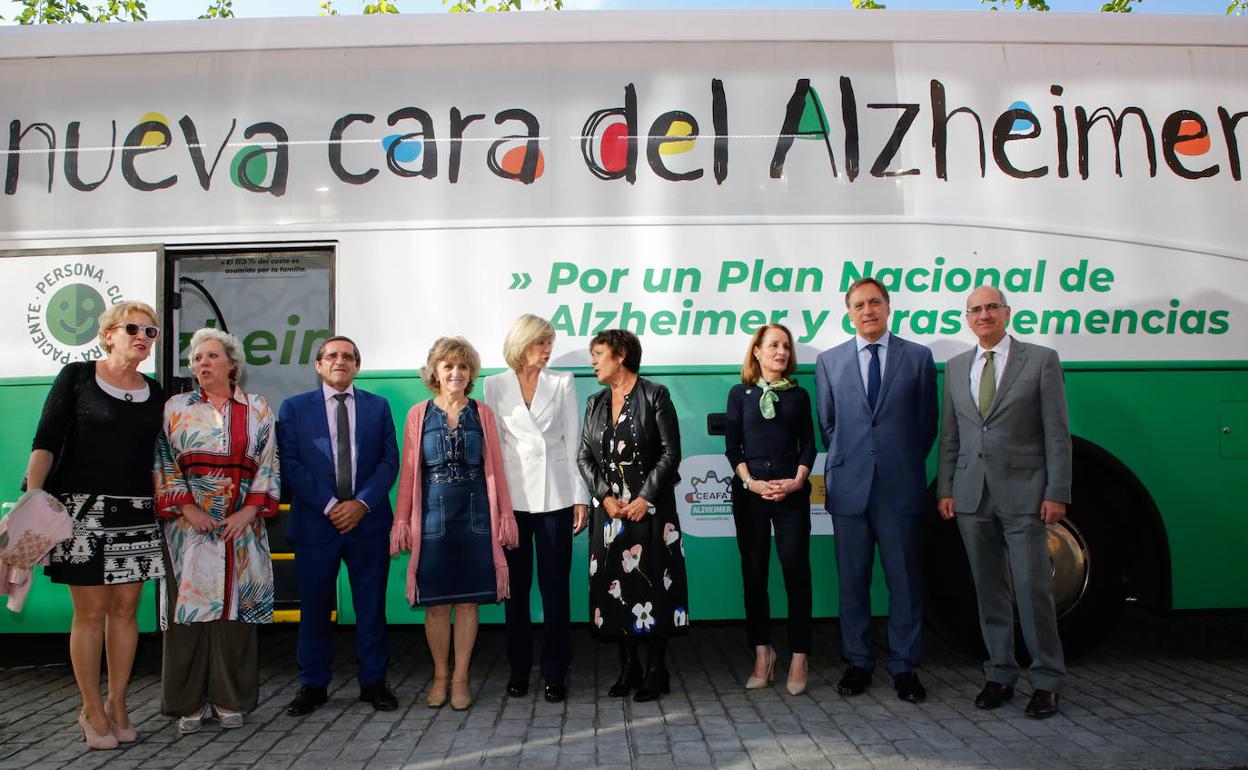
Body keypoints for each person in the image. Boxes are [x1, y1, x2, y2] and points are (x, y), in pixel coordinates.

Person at [26, 301, 165, 749]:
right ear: (108, 334)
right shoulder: (77, 376)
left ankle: (119, 704)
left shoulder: (156, 390)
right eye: (132, 328)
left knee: (126, 611)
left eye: (151, 331)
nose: (142, 336)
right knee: (90, 614)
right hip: (82, 511)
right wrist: (34, 497)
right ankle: (90, 708)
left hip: (137, 512)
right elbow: (46, 440)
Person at [937, 285, 1072, 719]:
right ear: (967, 318)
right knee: (989, 590)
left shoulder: (1041, 360)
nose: (984, 315)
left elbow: (1056, 433)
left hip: (1026, 496)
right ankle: (999, 673)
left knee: (1033, 590)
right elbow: (951, 437)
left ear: (1007, 313)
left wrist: (1057, 492)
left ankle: (1047, 681)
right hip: (972, 496)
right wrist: (946, 489)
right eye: (975, 309)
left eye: (991, 307)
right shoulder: (956, 368)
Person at [815, 278, 937, 703]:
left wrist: (897, 461)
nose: (867, 310)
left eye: (874, 303)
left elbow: (926, 427)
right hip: (850, 490)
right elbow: (829, 427)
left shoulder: (918, 358)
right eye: (858, 305)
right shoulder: (829, 362)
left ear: (888, 308)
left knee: (904, 581)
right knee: (852, 582)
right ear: (848, 313)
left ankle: (905, 666)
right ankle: (858, 662)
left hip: (899, 488)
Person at [156, 328, 281, 733]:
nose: (202, 364)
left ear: (232, 364)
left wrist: (248, 512)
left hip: (241, 528)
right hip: (187, 529)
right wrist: (188, 508)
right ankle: (188, 702)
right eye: (196, 359)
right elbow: (163, 461)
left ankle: (230, 699)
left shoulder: (258, 407)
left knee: (236, 614)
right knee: (188, 617)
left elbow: (268, 464)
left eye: (211, 356)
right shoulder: (175, 407)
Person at [391, 337, 518, 711]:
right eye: (448, 366)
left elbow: (495, 468)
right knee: (435, 605)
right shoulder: (418, 414)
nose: (455, 373)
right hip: (431, 516)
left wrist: (503, 516)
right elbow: (410, 472)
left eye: (462, 367)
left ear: (471, 373)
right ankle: (440, 676)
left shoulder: (483, 413)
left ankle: (461, 677)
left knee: (467, 603)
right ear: (435, 371)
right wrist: (403, 521)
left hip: (477, 514)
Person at [278, 336, 400, 716]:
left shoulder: (377, 408)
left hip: (367, 521)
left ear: (357, 366)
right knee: (314, 608)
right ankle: (313, 685)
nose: (340, 361)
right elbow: (292, 464)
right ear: (319, 366)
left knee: (371, 607)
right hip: (317, 523)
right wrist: (332, 505)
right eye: (332, 355)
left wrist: (361, 504)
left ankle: (374, 682)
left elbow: (388, 461)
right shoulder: (294, 409)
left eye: (348, 356)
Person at [577, 329, 688, 702]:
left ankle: (658, 670)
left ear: (620, 355)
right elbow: (584, 457)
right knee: (616, 588)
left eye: (598, 353)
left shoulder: (655, 395)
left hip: (650, 511)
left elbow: (671, 454)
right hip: (610, 515)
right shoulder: (594, 402)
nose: (592, 361)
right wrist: (605, 497)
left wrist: (644, 498)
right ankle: (629, 668)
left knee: (653, 584)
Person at [483, 315, 589, 704]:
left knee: (555, 590)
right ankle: (518, 669)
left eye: (549, 344)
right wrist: (496, 504)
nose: (547, 351)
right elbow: (493, 449)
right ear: (521, 344)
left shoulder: (562, 382)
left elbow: (573, 440)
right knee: (515, 591)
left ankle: (556, 671)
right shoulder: (494, 384)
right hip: (513, 502)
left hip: (555, 499)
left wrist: (581, 496)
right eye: (540, 344)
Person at [724, 324, 815, 695]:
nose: (782, 352)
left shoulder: (799, 395)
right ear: (757, 352)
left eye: (786, 346)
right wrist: (750, 482)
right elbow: (733, 448)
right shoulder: (739, 394)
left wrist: (796, 481)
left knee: (796, 572)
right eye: (774, 345)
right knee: (755, 573)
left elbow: (809, 444)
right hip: (751, 494)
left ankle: (799, 655)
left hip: (791, 492)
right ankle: (763, 653)